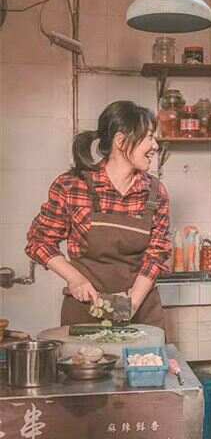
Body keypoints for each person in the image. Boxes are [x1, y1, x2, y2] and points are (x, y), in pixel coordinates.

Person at [26, 100, 171, 329]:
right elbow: (40, 241)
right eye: (149, 137)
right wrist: (75, 279)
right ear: (121, 141)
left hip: (141, 310)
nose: (155, 146)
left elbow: (156, 254)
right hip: (84, 311)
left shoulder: (155, 192)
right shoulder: (72, 186)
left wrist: (131, 303)